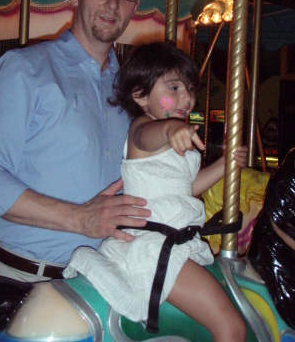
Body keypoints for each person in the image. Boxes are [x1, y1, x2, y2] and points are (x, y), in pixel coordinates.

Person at [0, 0, 152, 282]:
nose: (113, 2)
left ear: (135, 4)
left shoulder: (130, 89)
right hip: (26, 278)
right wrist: (79, 218)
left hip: (106, 283)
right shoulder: (25, 69)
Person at [65, 42, 247, 342]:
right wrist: (171, 129)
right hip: (155, 248)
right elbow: (150, 136)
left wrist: (225, 166)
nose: (186, 97)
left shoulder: (173, 139)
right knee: (231, 328)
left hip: (176, 242)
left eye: (189, 88)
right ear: (140, 95)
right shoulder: (143, 129)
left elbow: (186, 189)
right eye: (173, 88)